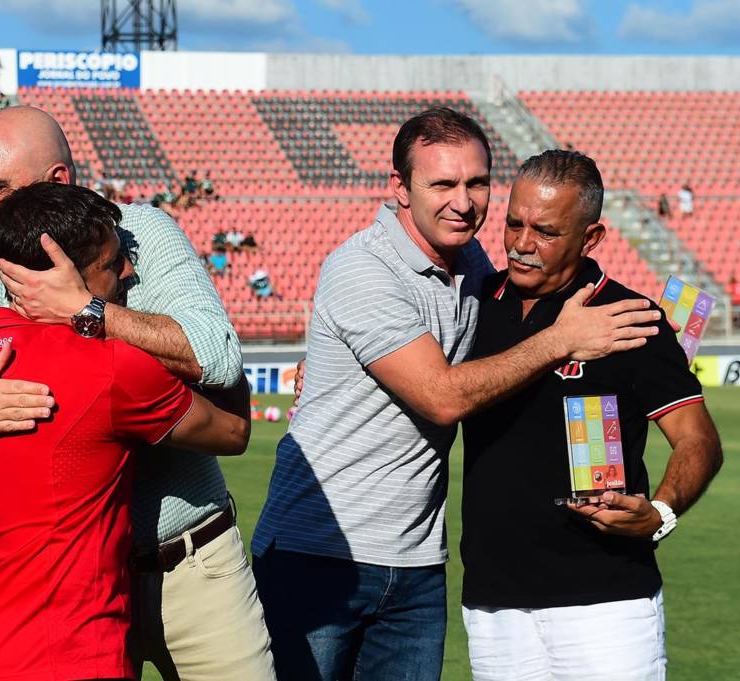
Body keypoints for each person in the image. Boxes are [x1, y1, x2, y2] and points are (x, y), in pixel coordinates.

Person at [252, 108, 660, 681]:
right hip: (321, 552)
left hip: (419, 563)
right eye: (442, 183)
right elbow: (443, 398)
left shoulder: (473, 263)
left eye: (477, 183)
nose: (463, 203)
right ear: (400, 188)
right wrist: (561, 338)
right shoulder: (362, 267)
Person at [0, 106, 275, 681]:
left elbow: (218, 355)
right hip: (69, 597)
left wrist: (88, 311)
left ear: (57, 181)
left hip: (192, 567)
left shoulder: (138, 235)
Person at [0, 180, 250, 680]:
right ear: (64, 274)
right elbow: (233, 431)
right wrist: (211, 346)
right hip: (77, 650)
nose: (128, 271)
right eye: (111, 262)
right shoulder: (112, 368)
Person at [460, 150, 723, 681]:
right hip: (492, 606)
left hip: (606, 605)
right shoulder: (470, 304)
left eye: (546, 232)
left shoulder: (633, 319)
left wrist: (662, 512)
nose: (521, 244)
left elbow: (698, 440)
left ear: (591, 237)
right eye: (514, 223)